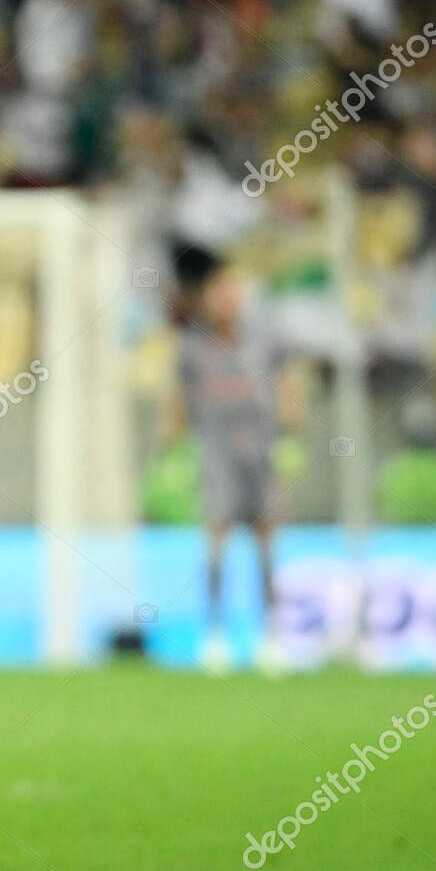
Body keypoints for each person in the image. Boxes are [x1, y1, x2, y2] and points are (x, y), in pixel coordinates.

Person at [168, 247, 283, 674]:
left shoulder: (264, 340)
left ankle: (272, 636)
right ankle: (215, 635)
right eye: (219, 291)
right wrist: (173, 449)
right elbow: (178, 400)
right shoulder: (193, 346)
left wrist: (290, 438)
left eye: (233, 290)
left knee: (266, 540)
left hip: (261, 452)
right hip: (215, 454)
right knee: (216, 539)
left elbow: (286, 386)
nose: (227, 299)